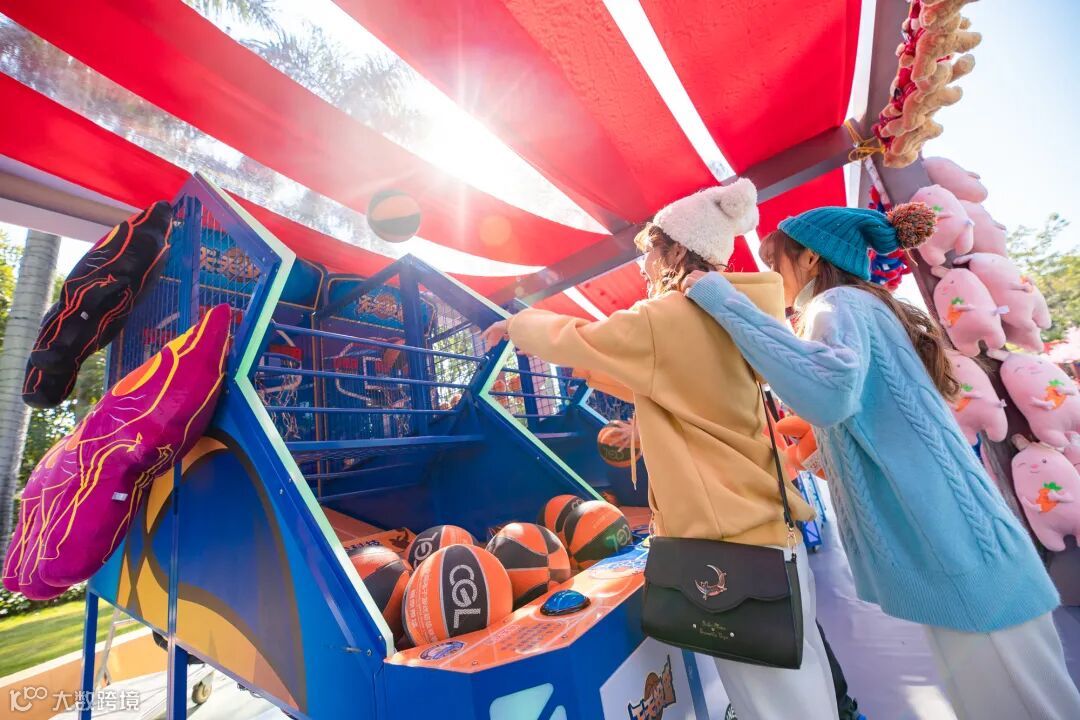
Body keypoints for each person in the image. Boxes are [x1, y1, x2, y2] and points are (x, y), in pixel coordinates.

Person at [682, 203, 1080, 720]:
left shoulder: (837, 304)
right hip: (955, 543)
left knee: (1018, 705)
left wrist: (722, 301)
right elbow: (868, 415)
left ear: (810, 258)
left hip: (954, 545)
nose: (770, 275)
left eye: (773, 261)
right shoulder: (863, 306)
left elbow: (827, 393)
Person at [484, 180, 840, 720]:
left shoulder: (670, 316)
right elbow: (676, 384)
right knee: (802, 682)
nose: (645, 264)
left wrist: (516, 324)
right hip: (771, 528)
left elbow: (582, 337)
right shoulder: (734, 313)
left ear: (676, 251)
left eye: (652, 250)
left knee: (771, 706)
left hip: (727, 541)